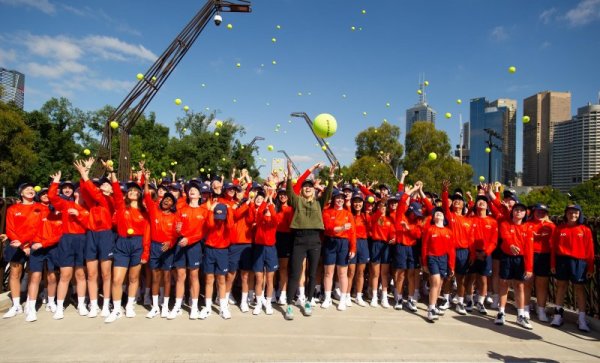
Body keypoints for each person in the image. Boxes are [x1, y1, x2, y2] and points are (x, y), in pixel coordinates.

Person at [283, 160, 334, 320]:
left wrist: (331, 177)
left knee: (312, 273)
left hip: (314, 239)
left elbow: (328, 193)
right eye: (305, 186)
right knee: (295, 273)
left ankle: (308, 302)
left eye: (310, 186)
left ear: (314, 190)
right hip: (299, 239)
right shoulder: (297, 201)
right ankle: (289, 306)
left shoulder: (320, 203)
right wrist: (290, 175)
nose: (307, 188)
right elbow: (290, 191)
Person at [103, 161, 150, 323]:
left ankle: (129, 305)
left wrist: (145, 252)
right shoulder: (122, 207)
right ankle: (116, 309)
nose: (132, 192)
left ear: (139, 194)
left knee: (133, 278)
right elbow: (116, 191)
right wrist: (112, 173)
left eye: (135, 191)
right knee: (117, 279)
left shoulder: (145, 212)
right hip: (122, 244)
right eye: (129, 190)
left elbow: (147, 235)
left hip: (137, 244)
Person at [74, 159, 115, 318]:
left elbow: (95, 191)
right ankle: (93, 304)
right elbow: (85, 191)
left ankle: (106, 304)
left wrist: (85, 174)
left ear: (111, 189)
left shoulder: (109, 200)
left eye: (106, 184)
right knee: (91, 274)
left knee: (106, 274)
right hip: (91, 235)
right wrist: (86, 172)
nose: (103, 186)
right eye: (102, 184)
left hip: (105, 235)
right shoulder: (94, 202)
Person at [48, 171, 90, 320]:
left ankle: (81, 304)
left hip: (82, 240)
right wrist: (56, 181)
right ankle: (59, 308)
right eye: (75, 189)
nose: (76, 191)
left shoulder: (87, 208)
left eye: (79, 189)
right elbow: (52, 197)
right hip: (67, 240)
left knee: (80, 274)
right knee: (65, 274)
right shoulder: (65, 204)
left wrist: (79, 214)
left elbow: (90, 224)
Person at [550, 204, 594, 332]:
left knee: (579, 288)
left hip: (579, 262)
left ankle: (581, 318)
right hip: (562, 261)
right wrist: (553, 264)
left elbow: (590, 251)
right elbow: (553, 249)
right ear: (566, 214)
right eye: (570, 212)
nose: (573, 215)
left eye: (576, 213)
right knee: (561, 286)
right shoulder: (559, 229)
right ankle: (558, 314)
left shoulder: (585, 230)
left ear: (580, 214)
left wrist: (590, 268)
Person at [2, 183, 43, 319]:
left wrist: (28, 244)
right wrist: (22, 246)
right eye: (27, 189)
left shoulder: (40, 208)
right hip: (17, 245)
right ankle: (16, 305)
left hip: (34, 245)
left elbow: (39, 228)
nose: (31, 191)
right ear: (21, 193)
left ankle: (30, 306)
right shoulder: (13, 209)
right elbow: (10, 229)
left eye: (32, 189)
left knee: (34, 275)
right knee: (15, 274)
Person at [24, 188, 62, 322]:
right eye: (43, 194)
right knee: (35, 276)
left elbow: (59, 233)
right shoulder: (34, 209)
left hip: (52, 247)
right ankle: (32, 307)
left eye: (48, 194)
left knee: (52, 276)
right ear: (39, 197)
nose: (46, 195)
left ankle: (51, 302)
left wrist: (44, 243)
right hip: (36, 246)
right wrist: (26, 244)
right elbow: (28, 228)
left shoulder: (57, 210)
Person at [143, 172, 178, 319]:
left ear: (173, 204)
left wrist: (170, 243)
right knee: (156, 278)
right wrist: (145, 180)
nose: (166, 201)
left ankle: (165, 307)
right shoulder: (154, 211)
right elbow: (146, 195)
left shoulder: (175, 216)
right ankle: (155, 307)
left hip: (168, 249)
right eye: (165, 199)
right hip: (155, 247)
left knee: (167, 278)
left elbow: (177, 233)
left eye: (170, 200)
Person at [495, 202, 534, 329]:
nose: (518, 212)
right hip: (507, 257)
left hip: (520, 259)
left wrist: (529, 268)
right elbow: (505, 236)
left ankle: (521, 315)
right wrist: (511, 244)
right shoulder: (505, 224)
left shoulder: (528, 228)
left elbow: (529, 249)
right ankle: (501, 312)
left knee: (519, 286)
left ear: (525, 213)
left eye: (522, 210)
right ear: (512, 212)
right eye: (516, 209)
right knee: (504, 283)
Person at [441, 180, 473, 315]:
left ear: (463, 204)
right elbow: (444, 205)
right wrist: (444, 191)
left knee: (461, 279)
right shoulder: (449, 215)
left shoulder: (467, 219)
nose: (457, 202)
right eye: (455, 200)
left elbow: (471, 239)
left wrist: (472, 255)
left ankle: (460, 302)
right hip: (450, 251)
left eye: (460, 200)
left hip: (463, 252)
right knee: (448, 277)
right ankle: (446, 300)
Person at [321, 189, 356, 310]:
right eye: (337, 197)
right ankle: (327, 298)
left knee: (342, 273)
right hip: (330, 242)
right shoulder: (327, 211)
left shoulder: (348, 214)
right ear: (334, 199)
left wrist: (353, 248)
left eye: (342, 198)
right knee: (328, 272)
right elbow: (328, 228)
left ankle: (342, 299)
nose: (340, 200)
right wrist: (341, 227)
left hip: (343, 243)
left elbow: (352, 232)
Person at [199, 201, 234, 320]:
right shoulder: (211, 221)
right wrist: (210, 210)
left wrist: (228, 209)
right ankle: (208, 307)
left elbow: (230, 224)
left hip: (222, 251)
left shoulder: (227, 223)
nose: (219, 219)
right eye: (217, 216)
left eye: (221, 216)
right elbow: (209, 224)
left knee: (221, 279)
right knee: (209, 279)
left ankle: (223, 307)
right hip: (209, 250)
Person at [465, 194, 497, 315]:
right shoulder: (470, 219)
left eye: (484, 201)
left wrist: (485, 253)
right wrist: (473, 254)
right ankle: (469, 300)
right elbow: (468, 238)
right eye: (479, 201)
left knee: (483, 279)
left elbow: (494, 241)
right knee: (471, 278)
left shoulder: (492, 221)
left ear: (487, 205)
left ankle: (480, 302)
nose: (482, 203)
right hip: (472, 253)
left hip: (486, 254)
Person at [422, 207, 455, 322]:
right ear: (433, 217)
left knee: (439, 285)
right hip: (432, 257)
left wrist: (451, 266)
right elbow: (425, 247)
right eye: (436, 213)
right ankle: (430, 309)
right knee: (435, 282)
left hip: (444, 259)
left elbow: (451, 250)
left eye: (441, 213)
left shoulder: (448, 231)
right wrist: (424, 263)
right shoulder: (430, 229)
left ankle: (434, 305)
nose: (439, 214)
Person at [252, 188, 279, 315]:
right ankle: (258, 303)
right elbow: (261, 210)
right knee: (258, 278)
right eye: (266, 210)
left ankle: (268, 304)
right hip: (258, 249)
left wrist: (270, 200)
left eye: (269, 209)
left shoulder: (274, 220)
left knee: (269, 279)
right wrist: (266, 199)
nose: (267, 211)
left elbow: (273, 215)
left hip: (270, 250)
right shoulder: (259, 220)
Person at [526, 203, 555, 322]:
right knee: (527, 282)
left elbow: (553, 246)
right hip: (530, 255)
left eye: (543, 212)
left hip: (544, 256)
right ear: (533, 212)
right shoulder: (527, 224)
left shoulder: (551, 226)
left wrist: (553, 263)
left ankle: (541, 309)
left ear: (546, 214)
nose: (540, 214)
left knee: (542, 284)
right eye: (538, 211)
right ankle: (525, 308)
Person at [368, 196, 396, 308]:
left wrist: (394, 239)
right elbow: (376, 215)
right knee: (375, 273)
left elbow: (393, 233)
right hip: (376, 245)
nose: (383, 208)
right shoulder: (374, 218)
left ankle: (384, 298)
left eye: (384, 206)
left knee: (384, 274)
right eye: (381, 206)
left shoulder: (390, 220)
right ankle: (374, 297)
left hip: (386, 246)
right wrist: (382, 202)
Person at [347, 191, 371, 307]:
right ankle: (346, 295)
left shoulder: (366, 215)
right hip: (352, 242)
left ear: (363, 203)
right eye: (355, 201)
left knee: (360, 272)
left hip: (363, 244)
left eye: (359, 201)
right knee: (350, 271)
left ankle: (358, 296)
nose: (357, 204)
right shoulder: (349, 214)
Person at [274, 188, 294, 305]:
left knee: (283, 268)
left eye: (285, 194)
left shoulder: (291, 209)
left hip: (286, 238)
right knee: (272, 268)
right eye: (281, 194)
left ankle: (282, 293)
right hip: (273, 238)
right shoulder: (275, 208)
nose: (283, 196)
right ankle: (273, 292)